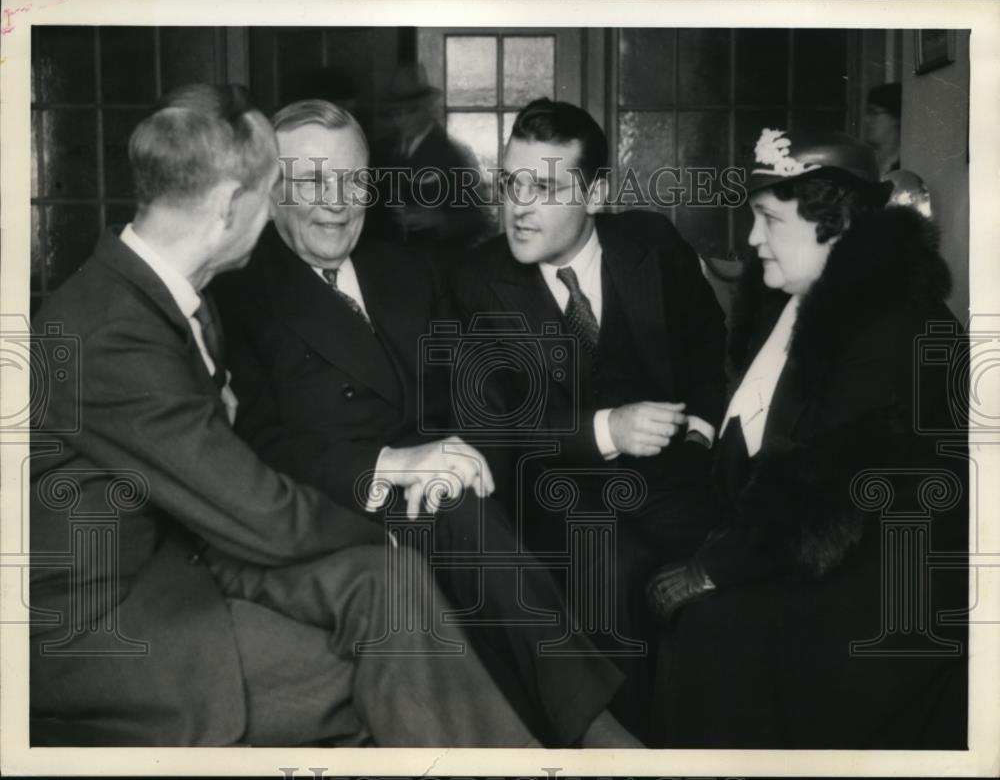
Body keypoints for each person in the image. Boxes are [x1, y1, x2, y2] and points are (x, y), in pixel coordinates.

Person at [28, 83, 555, 748]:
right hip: (102, 625)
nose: (302, 206)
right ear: (228, 206)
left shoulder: (160, 295)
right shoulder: (112, 331)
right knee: (394, 665)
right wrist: (386, 526)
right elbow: (258, 511)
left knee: (390, 589)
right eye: (284, 185)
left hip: (187, 559)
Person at [210, 98, 637, 749]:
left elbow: (484, 395)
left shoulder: (405, 270)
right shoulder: (238, 297)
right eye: (312, 182)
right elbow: (259, 450)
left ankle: (562, 730)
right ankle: (591, 727)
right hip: (338, 506)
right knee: (456, 516)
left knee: (498, 508)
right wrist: (395, 467)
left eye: (354, 180)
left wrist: (467, 451)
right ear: (271, 191)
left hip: (448, 487)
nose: (337, 201)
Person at [646, 128, 967, 748]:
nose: (751, 239)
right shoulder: (795, 300)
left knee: (713, 624)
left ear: (838, 223)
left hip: (898, 580)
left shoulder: (895, 322)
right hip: (816, 544)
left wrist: (714, 568)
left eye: (768, 219)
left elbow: (828, 487)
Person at [449, 98, 728, 737]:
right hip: (557, 494)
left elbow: (707, 344)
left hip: (672, 477)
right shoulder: (474, 282)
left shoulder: (650, 244)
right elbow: (497, 421)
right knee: (617, 576)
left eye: (543, 187)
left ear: (595, 193)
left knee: (720, 569)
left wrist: (699, 431)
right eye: (511, 182)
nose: (518, 205)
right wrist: (608, 428)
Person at [366, 62, 493, 254]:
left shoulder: (451, 154)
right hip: (394, 264)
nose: (400, 120)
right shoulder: (385, 150)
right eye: (395, 113)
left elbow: (479, 221)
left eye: (409, 111)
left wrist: (439, 219)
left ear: (426, 108)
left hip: (437, 268)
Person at [864, 81, 902, 176]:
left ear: (895, 117)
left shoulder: (905, 165)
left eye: (874, 113)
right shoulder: (865, 162)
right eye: (868, 113)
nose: (867, 119)